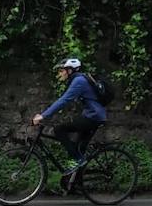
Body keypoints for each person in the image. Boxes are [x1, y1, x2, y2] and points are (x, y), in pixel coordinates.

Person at [32, 57, 106, 188]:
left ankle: (78, 159)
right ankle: (75, 184)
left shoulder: (79, 81)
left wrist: (43, 116)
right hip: (92, 116)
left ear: (70, 70)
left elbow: (64, 100)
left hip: (93, 117)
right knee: (78, 148)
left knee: (59, 129)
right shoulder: (78, 79)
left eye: (62, 70)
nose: (60, 73)